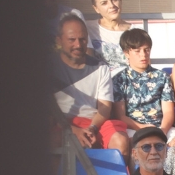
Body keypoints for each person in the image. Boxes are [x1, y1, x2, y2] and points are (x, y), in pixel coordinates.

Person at [53, 14, 127, 151]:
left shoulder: (101, 67)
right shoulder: (48, 68)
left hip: (94, 123)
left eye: (82, 39)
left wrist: (92, 128)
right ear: (59, 40)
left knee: (120, 141)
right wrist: (73, 131)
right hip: (60, 124)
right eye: (71, 40)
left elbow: (105, 107)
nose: (78, 45)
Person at [112, 28, 175, 133]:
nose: (143, 55)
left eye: (147, 50)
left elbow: (168, 112)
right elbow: (120, 116)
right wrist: (142, 128)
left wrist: (162, 131)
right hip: (132, 129)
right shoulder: (119, 80)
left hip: (161, 127)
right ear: (126, 53)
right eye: (137, 51)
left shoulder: (163, 77)